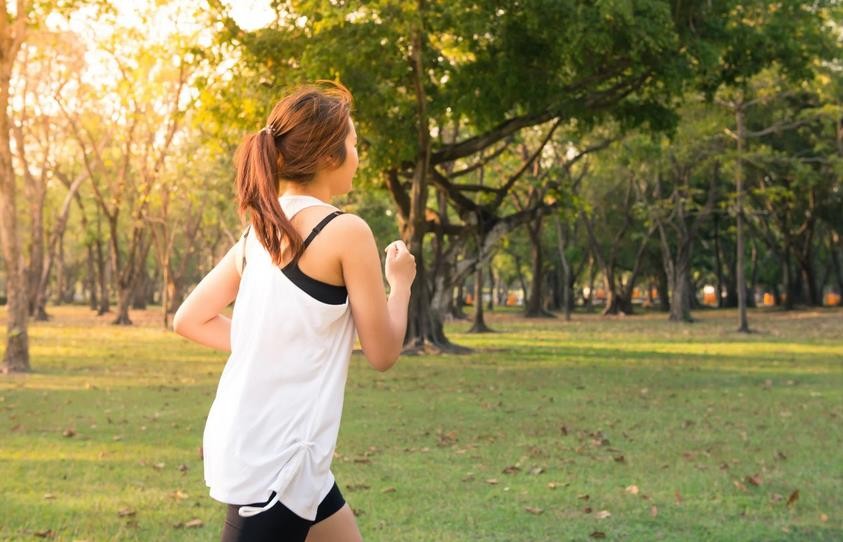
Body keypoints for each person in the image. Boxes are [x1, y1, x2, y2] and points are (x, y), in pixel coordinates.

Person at [173, 80, 416, 541]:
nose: (358, 156)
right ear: (329, 155)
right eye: (354, 144)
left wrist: (269, 344)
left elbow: (190, 319)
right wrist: (400, 285)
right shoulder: (346, 231)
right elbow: (382, 352)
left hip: (284, 452)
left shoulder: (258, 233)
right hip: (276, 463)